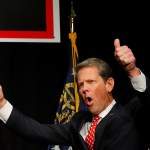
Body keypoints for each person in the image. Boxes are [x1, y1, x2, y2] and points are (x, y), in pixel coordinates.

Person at [0, 38, 150, 150]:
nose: (84, 89)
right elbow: (36, 131)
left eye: (91, 82)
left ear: (109, 84)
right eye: (80, 84)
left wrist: (132, 70)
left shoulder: (132, 112)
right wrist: (1, 104)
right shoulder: (78, 122)